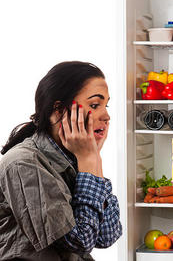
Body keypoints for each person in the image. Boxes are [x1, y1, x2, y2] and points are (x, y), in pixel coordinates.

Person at [0, 61, 122, 260]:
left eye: (106, 105)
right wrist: (89, 160)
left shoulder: (76, 157)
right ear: (59, 110)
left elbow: (108, 236)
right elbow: (81, 242)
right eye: (94, 105)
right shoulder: (23, 163)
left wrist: (93, 159)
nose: (106, 116)